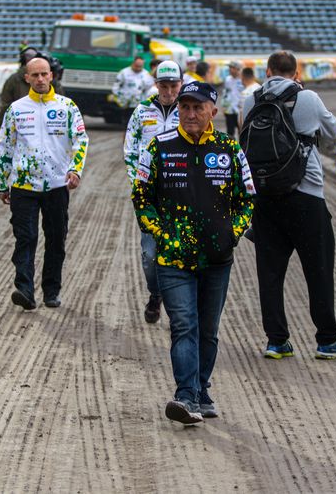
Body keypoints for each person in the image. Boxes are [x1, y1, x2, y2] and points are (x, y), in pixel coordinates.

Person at [131, 81, 254, 425]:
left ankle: (201, 390)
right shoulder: (158, 147)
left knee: (208, 330)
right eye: (184, 107)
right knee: (183, 325)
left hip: (217, 259)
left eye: (198, 107)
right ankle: (185, 396)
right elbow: (141, 198)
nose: (189, 114)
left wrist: (233, 232)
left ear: (213, 111)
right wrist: (162, 234)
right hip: (174, 259)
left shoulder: (230, 150)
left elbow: (247, 199)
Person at [241, 51, 336, 360]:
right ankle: (327, 339)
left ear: (267, 71)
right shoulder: (308, 97)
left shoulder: (250, 100)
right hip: (306, 194)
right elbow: (334, 132)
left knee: (270, 272)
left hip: (264, 195)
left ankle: (277, 341)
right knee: (318, 269)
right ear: (296, 72)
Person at [0, 56, 88, 311]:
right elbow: (4, 146)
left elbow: (81, 139)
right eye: (34, 75)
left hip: (57, 184)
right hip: (23, 185)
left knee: (56, 239)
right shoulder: (16, 109)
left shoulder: (67, 106)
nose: (39, 79)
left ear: (51, 76)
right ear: (26, 77)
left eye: (44, 74)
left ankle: (51, 291)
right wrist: (2, 184)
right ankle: (24, 289)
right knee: (25, 238)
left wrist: (75, 170)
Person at [122, 60, 182, 323]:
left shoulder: (189, 110)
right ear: (156, 84)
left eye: (173, 85)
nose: (168, 91)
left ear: (181, 84)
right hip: (150, 196)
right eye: (163, 85)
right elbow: (129, 150)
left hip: (182, 194)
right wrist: (140, 185)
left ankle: (178, 308)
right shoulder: (141, 111)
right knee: (150, 255)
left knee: (181, 251)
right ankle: (155, 293)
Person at [0, 47, 42, 125]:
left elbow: (5, 105)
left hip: (18, 122)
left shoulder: (12, 79)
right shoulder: (44, 79)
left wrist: (1, 123)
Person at [219, 60, 244, 135]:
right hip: (229, 110)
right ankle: (231, 147)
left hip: (240, 110)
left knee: (242, 131)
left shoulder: (243, 79)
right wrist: (223, 106)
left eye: (231, 67)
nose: (229, 69)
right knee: (230, 132)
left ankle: (242, 146)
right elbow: (225, 93)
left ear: (237, 69)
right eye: (229, 67)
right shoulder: (227, 79)